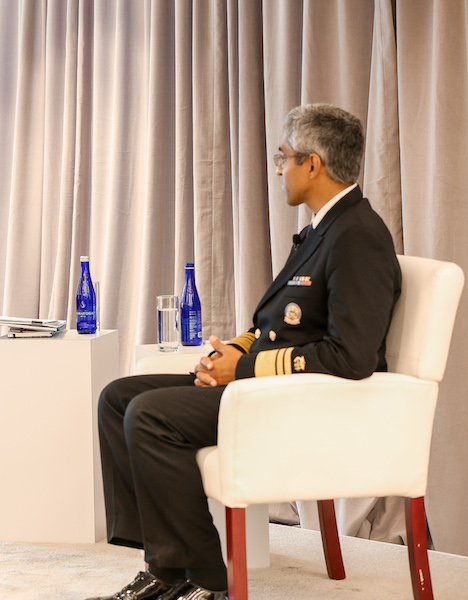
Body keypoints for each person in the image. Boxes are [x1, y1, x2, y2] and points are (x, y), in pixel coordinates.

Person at [90, 104, 401, 600]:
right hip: (268, 389)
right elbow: (277, 326)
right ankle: (165, 565)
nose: (279, 170)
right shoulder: (324, 229)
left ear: (313, 164)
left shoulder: (357, 236)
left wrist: (246, 368)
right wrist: (227, 356)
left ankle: (204, 581)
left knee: (148, 416)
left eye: (284, 158)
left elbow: (352, 356)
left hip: (297, 404)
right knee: (118, 398)